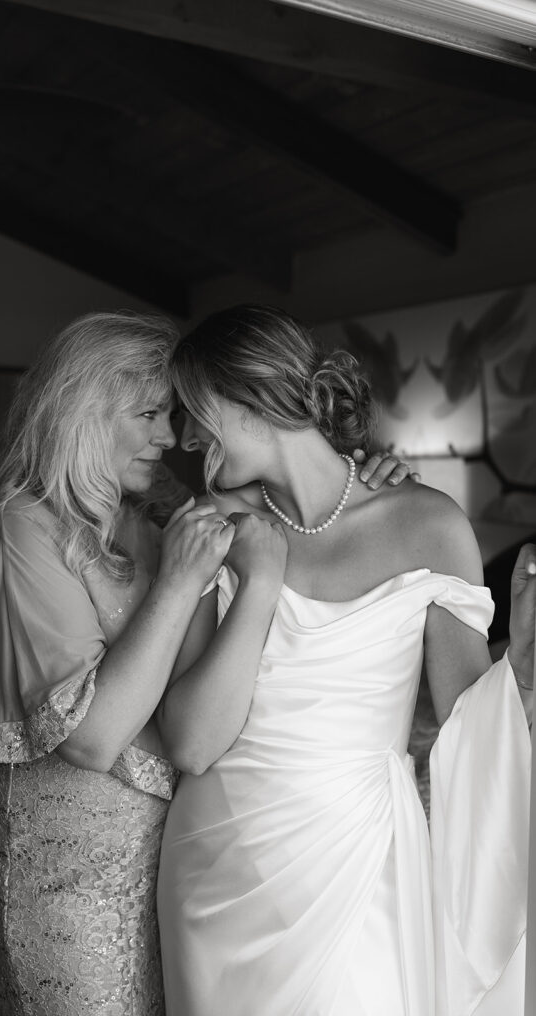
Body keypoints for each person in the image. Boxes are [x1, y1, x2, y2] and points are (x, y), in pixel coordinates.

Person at [0, 310, 408, 1016]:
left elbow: (302, 501)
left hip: (163, 858)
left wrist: (373, 480)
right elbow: (93, 739)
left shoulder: (149, 515)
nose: (170, 438)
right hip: (62, 868)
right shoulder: (21, 529)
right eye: (150, 414)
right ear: (84, 413)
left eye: (177, 414)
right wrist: (180, 583)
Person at [156, 304, 534, 1016]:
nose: (182, 435)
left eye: (192, 409)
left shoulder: (427, 524)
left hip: (358, 862)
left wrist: (524, 662)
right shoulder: (215, 529)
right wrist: (258, 579)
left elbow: (464, 726)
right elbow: (192, 742)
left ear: (251, 396)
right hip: (215, 870)